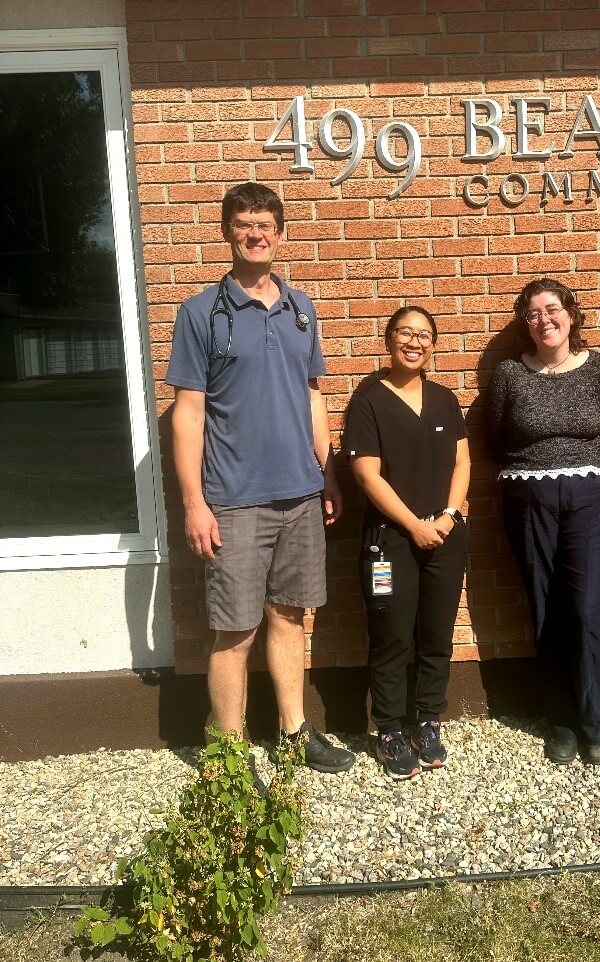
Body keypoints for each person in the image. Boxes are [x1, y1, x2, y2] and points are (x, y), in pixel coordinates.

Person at [166, 181, 354, 773]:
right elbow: (188, 412)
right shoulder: (202, 314)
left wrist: (329, 474)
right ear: (227, 232)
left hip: (300, 494)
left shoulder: (302, 309)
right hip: (234, 500)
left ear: (279, 232)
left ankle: (295, 734)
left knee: (291, 617)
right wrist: (195, 502)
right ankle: (227, 752)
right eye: (244, 225)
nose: (256, 235)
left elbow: (314, 395)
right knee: (234, 630)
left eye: (266, 225)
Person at [484, 278, 600, 766]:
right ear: (526, 323)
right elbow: (495, 435)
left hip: (590, 496)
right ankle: (560, 717)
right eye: (533, 313)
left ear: (571, 314)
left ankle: (594, 715)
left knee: (587, 606)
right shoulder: (508, 375)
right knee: (543, 602)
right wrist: (528, 472)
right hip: (528, 495)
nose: (545, 320)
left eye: (552, 309)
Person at [343, 306, 470, 780]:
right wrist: (415, 525)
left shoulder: (444, 399)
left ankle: (427, 722)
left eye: (423, 335)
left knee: (436, 636)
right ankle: (391, 729)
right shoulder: (369, 401)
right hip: (390, 542)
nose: (414, 342)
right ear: (389, 339)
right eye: (405, 333)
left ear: (433, 345)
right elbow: (365, 474)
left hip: (445, 536)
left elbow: (463, 465)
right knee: (392, 637)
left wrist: (449, 516)